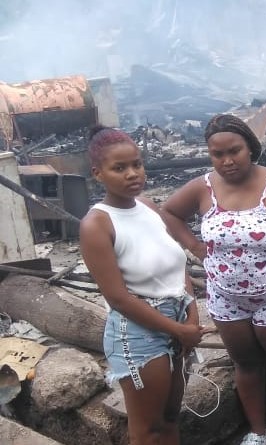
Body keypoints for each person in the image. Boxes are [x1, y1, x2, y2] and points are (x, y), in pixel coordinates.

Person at [160, 114, 266, 445]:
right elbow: (169, 212)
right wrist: (195, 247)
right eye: (218, 154)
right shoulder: (203, 187)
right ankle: (258, 432)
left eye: (235, 151)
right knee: (245, 365)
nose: (227, 161)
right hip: (225, 296)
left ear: (251, 148)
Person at [79, 126, 203, 445]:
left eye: (137, 164)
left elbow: (176, 265)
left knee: (171, 417)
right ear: (98, 174)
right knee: (147, 430)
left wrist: (190, 315)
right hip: (138, 333)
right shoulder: (97, 224)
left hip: (176, 319)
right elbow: (118, 298)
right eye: (119, 168)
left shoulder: (147, 207)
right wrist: (178, 331)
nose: (133, 174)